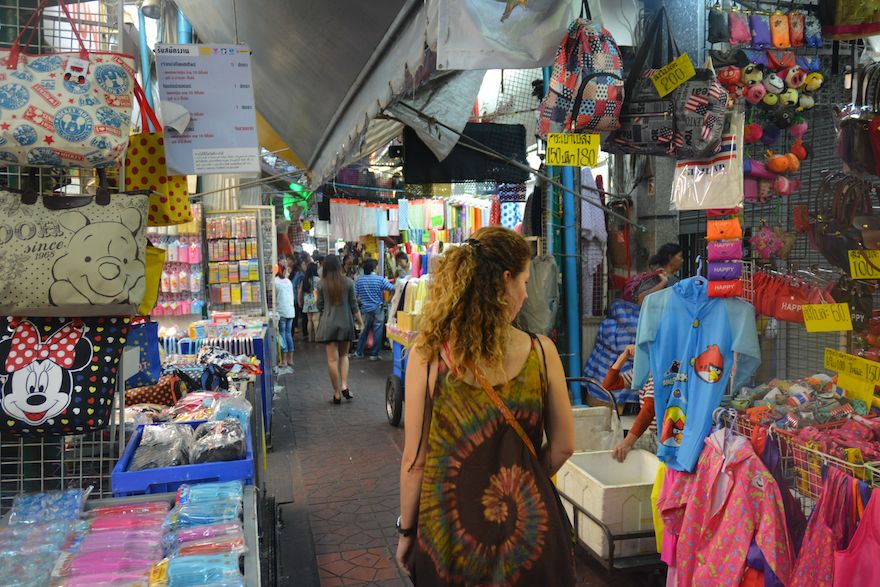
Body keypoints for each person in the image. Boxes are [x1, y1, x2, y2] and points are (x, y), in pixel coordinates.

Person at [396, 226, 576, 585]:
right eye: (525, 282)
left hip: (448, 543)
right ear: (506, 280)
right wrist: (523, 472)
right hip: (530, 541)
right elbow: (564, 446)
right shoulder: (542, 353)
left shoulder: (428, 358)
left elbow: (415, 463)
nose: (526, 294)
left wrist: (406, 531)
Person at [316, 254, 363, 404]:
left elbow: (319, 306)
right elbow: (354, 306)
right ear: (338, 265)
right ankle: (344, 385)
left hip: (328, 324)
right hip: (345, 323)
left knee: (332, 360)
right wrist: (360, 322)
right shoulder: (349, 282)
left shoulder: (321, 284)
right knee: (344, 356)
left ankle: (336, 393)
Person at [603, 345, 656, 462]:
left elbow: (649, 410)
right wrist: (624, 356)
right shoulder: (643, 372)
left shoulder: (660, 373)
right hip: (654, 435)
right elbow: (609, 384)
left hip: (665, 439)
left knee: (620, 447)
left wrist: (627, 443)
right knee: (612, 443)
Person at [353, 259, 394, 361]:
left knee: (363, 331)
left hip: (365, 310)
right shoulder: (380, 279)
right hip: (378, 309)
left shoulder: (359, 280)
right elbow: (393, 289)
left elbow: (354, 297)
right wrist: (387, 300)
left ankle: (359, 352)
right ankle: (374, 355)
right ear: (374, 268)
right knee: (377, 333)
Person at [274, 264, 296, 371]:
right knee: (288, 334)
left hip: (281, 311)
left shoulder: (275, 282)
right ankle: (291, 359)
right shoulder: (288, 281)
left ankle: (284, 360)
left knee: (282, 334)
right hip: (290, 311)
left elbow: (273, 297)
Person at [301, 262, 321, 343]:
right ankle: (316, 338)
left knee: (309, 320)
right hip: (316, 299)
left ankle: (309, 338)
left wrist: (300, 300)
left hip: (307, 300)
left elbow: (301, 290)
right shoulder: (318, 279)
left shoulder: (305, 279)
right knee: (315, 320)